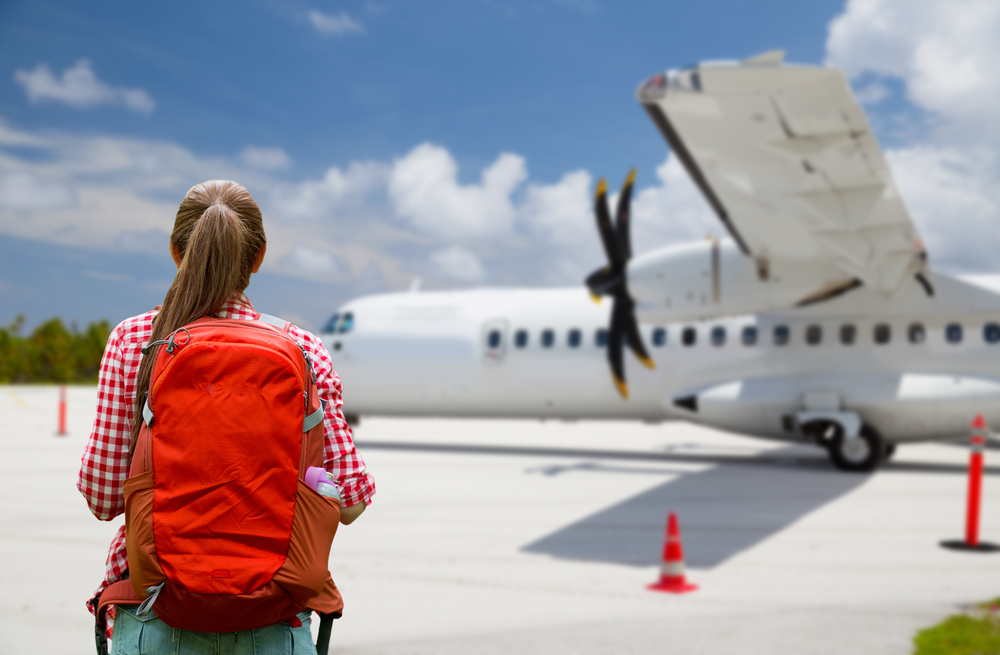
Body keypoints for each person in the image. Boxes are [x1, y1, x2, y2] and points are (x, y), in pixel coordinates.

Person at [77, 180, 375, 653]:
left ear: (177, 252)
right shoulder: (303, 349)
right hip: (272, 615)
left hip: (156, 609)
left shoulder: (134, 341)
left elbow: (102, 496)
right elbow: (352, 502)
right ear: (257, 259)